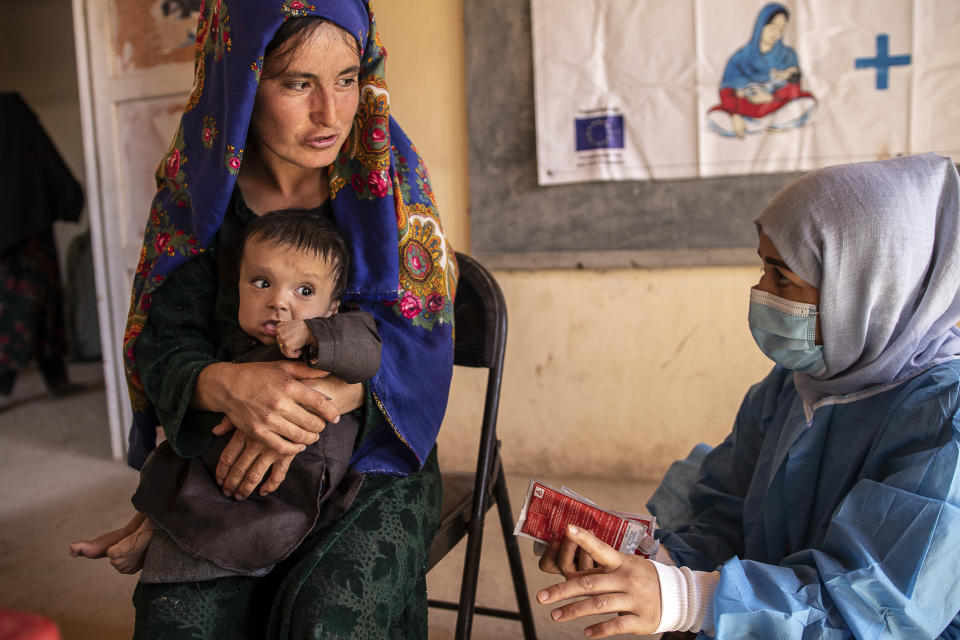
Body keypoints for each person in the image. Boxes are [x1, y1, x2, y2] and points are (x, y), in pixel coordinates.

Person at [115, 2, 457, 637]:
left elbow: (421, 351)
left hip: (372, 457)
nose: (331, 112)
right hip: (225, 451)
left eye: (349, 78)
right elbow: (165, 340)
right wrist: (231, 388)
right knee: (178, 622)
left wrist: (302, 405)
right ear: (239, 78)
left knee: (327, 621)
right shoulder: (198, 194)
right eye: (298, 83)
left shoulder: (392, 187)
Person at [536, 153, 960, 638]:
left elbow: (878, 613)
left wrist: (688, 599)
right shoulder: (796, 384)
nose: (761, 291)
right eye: (764, 268)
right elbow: (727, 509)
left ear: (866, 290)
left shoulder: (946, 421)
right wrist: (651, 561)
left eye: (784, 278)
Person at [69, 209, 382, 580]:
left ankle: (165, 537)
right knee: (172, 455)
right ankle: (142, 525)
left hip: (297, 473)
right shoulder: (237, 342)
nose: (279, 302)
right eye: (261, 282)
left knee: (237, 520)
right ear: (237, 287)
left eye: (305, 291)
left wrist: (317, 335)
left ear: (332, 306)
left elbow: (368, 354)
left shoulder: (341, 328)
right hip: (227, 449)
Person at [0, 93, 84, 397]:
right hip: (27, 222)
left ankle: (54, 376)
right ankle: (37, 377)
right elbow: (46, 156)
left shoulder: (11, 110)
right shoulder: (13, 110)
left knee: (35, 300)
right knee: (32, 301)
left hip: (25, 223)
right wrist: (69, 196)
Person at [706, 3, 817, 139]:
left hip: (776, 106)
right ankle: (764, 125)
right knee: (715, 117)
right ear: (760, 25)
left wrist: (771, 97)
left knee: (808, 102)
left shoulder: (787, 55)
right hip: (745, 109)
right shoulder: (740, 58)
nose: (776, 34)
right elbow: (725, 92)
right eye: (772, 27)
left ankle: (760, 127)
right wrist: (735, 115)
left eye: (781, 29)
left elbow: (795, 87)